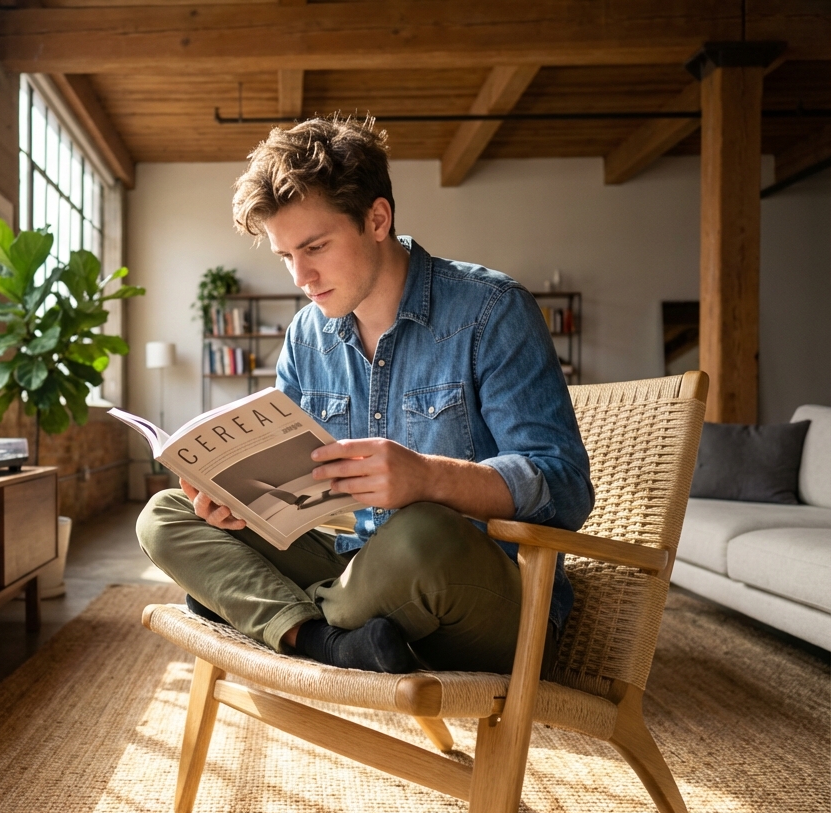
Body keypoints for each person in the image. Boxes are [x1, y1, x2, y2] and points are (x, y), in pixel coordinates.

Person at [137, 117, 593, 675]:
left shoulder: (492, 311)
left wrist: (429, 478)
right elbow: (293, 496)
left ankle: (263, 613)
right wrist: (240, 508)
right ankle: (322, 639)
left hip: (478, 590)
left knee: (420, 530)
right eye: (286, 256)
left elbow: (565, 487)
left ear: (377, 219)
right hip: (356, 569)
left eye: (316, 247)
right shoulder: (307, 336)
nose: (301, 276)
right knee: (166, 515)